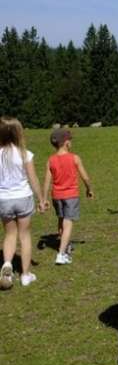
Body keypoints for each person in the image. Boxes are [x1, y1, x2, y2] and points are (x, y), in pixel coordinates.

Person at [0, 117, 46, 289]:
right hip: (23, 198)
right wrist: (41, 199)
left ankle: (7, 264)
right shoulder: (25, 154)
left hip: (4, 199)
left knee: (10, 234)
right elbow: (33, 179)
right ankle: (26, 275)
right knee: (24, 236)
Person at [43, 129, 93, 265]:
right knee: (68, 222)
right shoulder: (74, 158)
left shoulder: (51, 160)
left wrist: (44, 199)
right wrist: (89, 189)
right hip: (71, 196)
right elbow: (85, 177)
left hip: (56, 196)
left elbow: (47, 181)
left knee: (61, 220)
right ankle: (61, 254)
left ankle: (65, 246)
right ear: (66, 143)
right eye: (70, 140)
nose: (71, 142)